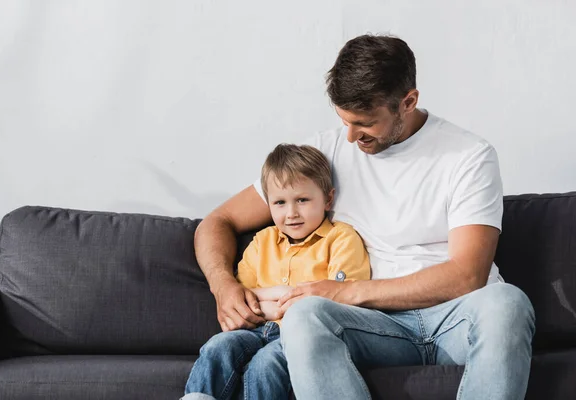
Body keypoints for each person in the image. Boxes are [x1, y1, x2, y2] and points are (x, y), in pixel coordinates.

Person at [193, 34, 535, 400]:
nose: (352, 136)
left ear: (408, 102)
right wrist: (222, 285)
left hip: (456, 318)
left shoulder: (469, 155)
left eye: (365, 123)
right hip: (374, 327)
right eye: (344, 121)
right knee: (305, 317)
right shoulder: (325, 153)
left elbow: (467, 275)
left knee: (508, 303)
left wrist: (347, 291)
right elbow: (218, 221)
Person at [183, 144, 371, 400]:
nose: (291, 213)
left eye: (302, 200)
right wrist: (283, 293)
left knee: (266, 365)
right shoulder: (262, 241)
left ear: (328, 199)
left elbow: (340, 300)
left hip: (299, 338)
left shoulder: (341, 239)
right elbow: (244, 296)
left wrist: (269, 301)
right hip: (255, 329)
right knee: (217, 347)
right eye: (280, 203)